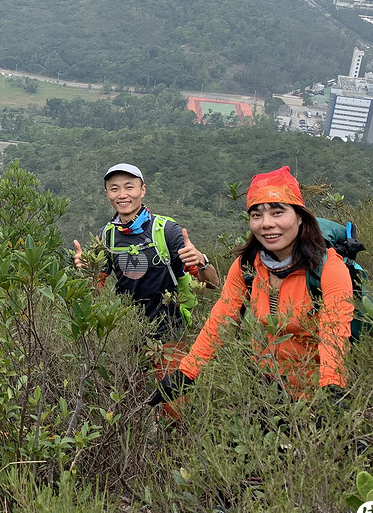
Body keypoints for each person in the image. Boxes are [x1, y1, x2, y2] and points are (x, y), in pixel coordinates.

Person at [153, 165, 353, 404]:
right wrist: (186, 373)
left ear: (300, 217)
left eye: (278, 212)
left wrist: (331, 390)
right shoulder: (248, 266)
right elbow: (221, 319)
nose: (266, 223)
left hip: (314, 392)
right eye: (256, 215)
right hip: (266, 389)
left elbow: (335, 333)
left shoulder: (328, 268)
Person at [74, 163, 219, 341]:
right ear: (107, 194)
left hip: (172, 335)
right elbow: (95, 291)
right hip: (129, 336)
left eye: (129, 187)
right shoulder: (106, 236)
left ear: (142, 190)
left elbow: (213, 284)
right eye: (114, 189)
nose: (122, 195)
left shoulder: (166, 231)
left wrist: (201, 261)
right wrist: (88, 271)